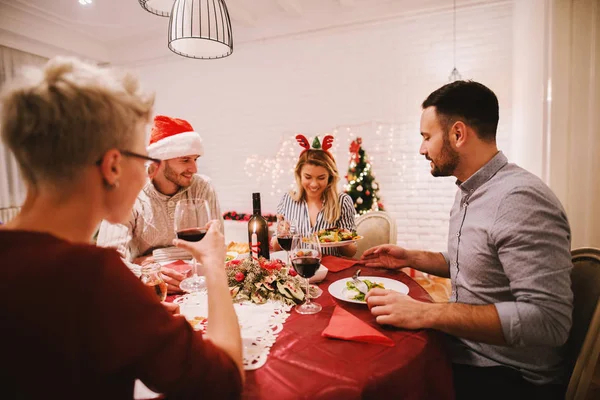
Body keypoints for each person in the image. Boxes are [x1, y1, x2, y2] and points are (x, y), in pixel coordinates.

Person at [0, 57, 243, 398]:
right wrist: (215, 265)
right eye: (142, 160)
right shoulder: (96, 277)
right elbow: (224, 382)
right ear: (113, 166)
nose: (147, 172)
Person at [361, 81, 573, 399]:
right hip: (466, 350)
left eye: (426, 137)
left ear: (458, 134)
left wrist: (428, 312)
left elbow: (548, 321)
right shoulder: (468, 189)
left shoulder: (519, 198)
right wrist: (409, 257)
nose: (422, 149)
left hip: (507, 374)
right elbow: (470, 264)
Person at [96, 114, 223, 293]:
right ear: (160, 161)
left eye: (195, 159)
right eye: (185, 160)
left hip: (198, 288)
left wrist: (154, 258)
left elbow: (215, 248)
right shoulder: (128, 191)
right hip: (149, 292)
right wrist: (147, 274)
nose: (194, 169)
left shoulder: (203, 187)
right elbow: (106, 260)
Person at [273, 135, 357, 257]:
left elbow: (351, 252)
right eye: (308, 177)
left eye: (321, 178)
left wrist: (343, 238)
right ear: (299, 175)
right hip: (298, 268)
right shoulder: (288, 199)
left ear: (330, 177)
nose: (314, 184)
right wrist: (281, 233)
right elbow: (276, 247)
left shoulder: (342, 201)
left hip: (331, 269)